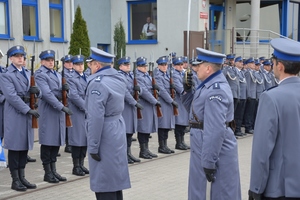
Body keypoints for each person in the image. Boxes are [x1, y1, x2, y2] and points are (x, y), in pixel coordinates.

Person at [182, 47, 241, 200]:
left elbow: (215, 129)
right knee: (199, 192)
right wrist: (188, 91)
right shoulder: (207, 85)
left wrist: (208, 162)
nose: (194, 69)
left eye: (198, 66)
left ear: (208, 68)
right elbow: (194, 113)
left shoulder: (216, 90)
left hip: (213, 152)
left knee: (217, 193)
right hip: (202, 148)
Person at [249, 38, 300, 199]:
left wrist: (255, 188)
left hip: (280, 187)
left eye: (273, 61)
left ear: (280, 66)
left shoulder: (271, 97)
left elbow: (262, 150)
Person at [85, 47, 130, 200]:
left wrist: (93, 146)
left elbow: (95, 118)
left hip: (104, 133)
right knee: (114, 179)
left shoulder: (97, 84)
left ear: (97, 65)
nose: (88, 68)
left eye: (90, 64)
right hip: (116, 127)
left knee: (104, 181)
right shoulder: (117, 78)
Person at [1, 45, 40, 191]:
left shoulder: (28, 72)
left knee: (24, 147)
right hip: (15, 115)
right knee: (15, 148)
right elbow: (11, 97)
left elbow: (36, 90)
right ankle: (15, 179)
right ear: (11, 58)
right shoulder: (6, 75)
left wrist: (37, 93)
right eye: (17, 56)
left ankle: (22, 177)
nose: (20, 58)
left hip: (26, 114)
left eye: (22, 56)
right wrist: (28, 110)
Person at [35, 50, 73, 183]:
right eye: (48, 60)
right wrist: (61, 107)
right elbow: (47, 94)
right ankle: (47, 172)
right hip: (49, 110)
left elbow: (60, 92)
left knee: (56, 141)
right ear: (42, 61)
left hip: (58, 111)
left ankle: (53, 170)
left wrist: (66, 91)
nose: (51, 62)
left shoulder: (57, 74)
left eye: (52, 60)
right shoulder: (40, 74)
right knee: (47, 141)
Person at [66, 55, 89, 176]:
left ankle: (82, 164)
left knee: (85, 139)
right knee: (77, 139)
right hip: (78, 112)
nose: (80, 66)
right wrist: (87, 107)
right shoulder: (71, 78)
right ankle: (76, 166)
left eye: (82, 64)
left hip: (87, 112)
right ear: (73, 66)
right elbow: (74, 96)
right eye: (78, 64)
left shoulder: (87, 76)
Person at [118, 56, 142, 164]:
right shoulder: (120, 76)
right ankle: (123, 155)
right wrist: (135, 103)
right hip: (125, 106)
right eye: (126, 64)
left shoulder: (131, 75)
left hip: (131, 107)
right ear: (120, 66)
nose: (128, 66)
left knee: (130, 132)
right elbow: (125, 92)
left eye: (129, 64)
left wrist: (139, 90)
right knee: (125, 132)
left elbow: (138, 88)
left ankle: (128, 153)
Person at [135, 56, 160, 159]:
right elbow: (144, 92)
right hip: (144, 105)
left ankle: (146, 149)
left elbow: (152, 88)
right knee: (143, 128)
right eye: (142, 66)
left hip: (150, 105)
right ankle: (143, 151)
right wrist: (155, 101)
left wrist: (156, 89)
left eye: (145, 65)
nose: (144, 67)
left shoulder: (147, 76)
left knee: (148, 128)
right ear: (138, 67)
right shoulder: (138, 77)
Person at [154, 56, 177, 154]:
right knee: (162, 125)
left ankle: (165, 145)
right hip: (163, 102)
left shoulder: (167, 74)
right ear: (158, 66)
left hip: (168, 103)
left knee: (167, 125)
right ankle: (161, 146)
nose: (164, 67)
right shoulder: (158, 76)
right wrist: (171, 101)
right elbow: (162, 91)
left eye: (165, 65)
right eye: (162, 65)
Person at [172, 56, 189, 150]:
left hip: (185, 101)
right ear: (174, 66)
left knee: (183, 123)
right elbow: (180, 88)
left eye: (181, 64)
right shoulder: (175, 75)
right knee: (179, 123)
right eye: (178, 65)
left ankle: (182, 141)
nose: (180, 66)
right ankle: (178, 142)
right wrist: (188, 92)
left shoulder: (184, 73)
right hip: (180, 100)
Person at [62, 54, 73, 154]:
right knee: (67, 123)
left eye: (71, 62)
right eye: (68, 62)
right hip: (66, 100)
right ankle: (68, 143)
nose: (70, 64)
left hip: (72, 101)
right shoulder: (62, 74)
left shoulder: (74, 72)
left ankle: (71, 142)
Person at [234, 56, 247, 137]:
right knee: (235, 114)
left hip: (243, 96)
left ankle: (238, 129)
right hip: (238, 96)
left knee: (240, 114)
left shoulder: (242, 72)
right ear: (235, 63)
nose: (242, 63)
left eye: (242, 62)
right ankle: (235, 130)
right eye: (239, 62)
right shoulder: (234, 71)